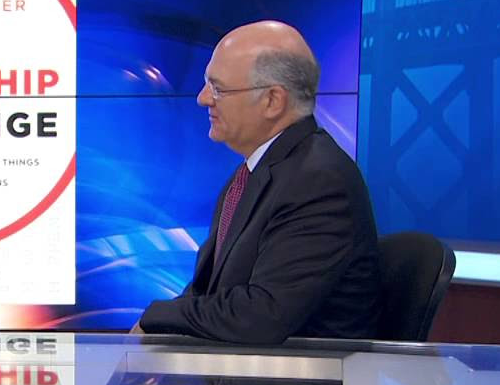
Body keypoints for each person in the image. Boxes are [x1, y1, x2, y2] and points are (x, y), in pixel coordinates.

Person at [134, 21, 379, 343]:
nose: (203, 99)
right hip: (242, 364)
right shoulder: (254, 175)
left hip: (299, 371)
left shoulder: (318, 180)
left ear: (272, 101)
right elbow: (206, 291)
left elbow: (263, 314)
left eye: (218, 88)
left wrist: (157, 317)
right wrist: (162, 326)